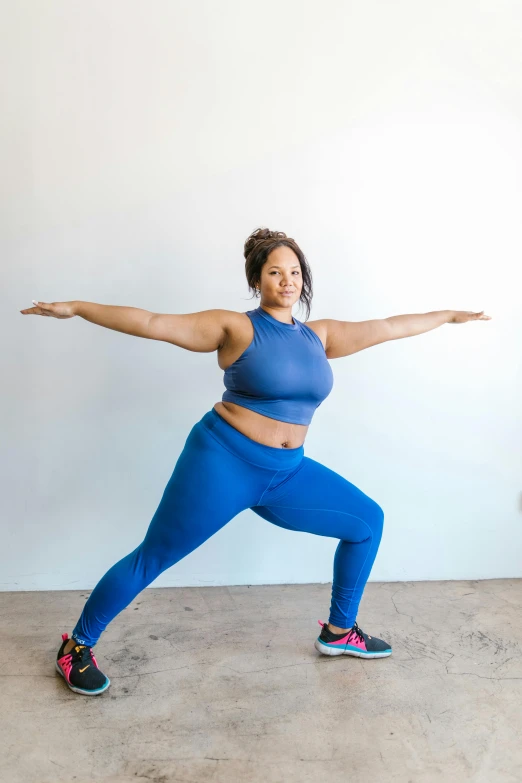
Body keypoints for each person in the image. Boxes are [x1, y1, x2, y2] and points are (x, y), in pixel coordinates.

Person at [20, 227, 491, 696]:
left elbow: (388, 327)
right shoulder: (237, 327)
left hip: (287, 475)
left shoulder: (318, 336)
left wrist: (447, 315)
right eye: (274, 272)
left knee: (367, 520)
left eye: (294, 272)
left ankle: (339, 632)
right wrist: (77, 308)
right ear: (257, 280)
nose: (287, 280)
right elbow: (151, 321)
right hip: (222, 463)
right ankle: (76, 646)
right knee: (154, 557)